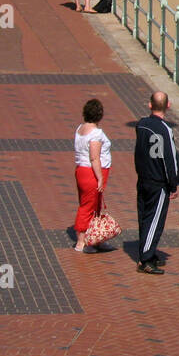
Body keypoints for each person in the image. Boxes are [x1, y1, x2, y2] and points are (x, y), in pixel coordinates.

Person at [133, 91, 179, 274]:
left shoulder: (141, 125)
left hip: (143, 178)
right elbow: (170, 158)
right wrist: (173, 183)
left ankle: (148, 252)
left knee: (144, 216)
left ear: (150, 104)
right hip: (158, 181)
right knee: (155, 220)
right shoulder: (165, 129)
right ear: (168, 106)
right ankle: (145, 258)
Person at [73, 98, 112, 252]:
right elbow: (94, 157)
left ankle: (95, 238)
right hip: (91, 173)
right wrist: (100, 178)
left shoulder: (80, 129)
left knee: (94, 205)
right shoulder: (96, 133)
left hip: (81, 170)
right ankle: (81, 242)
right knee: (88, 206)